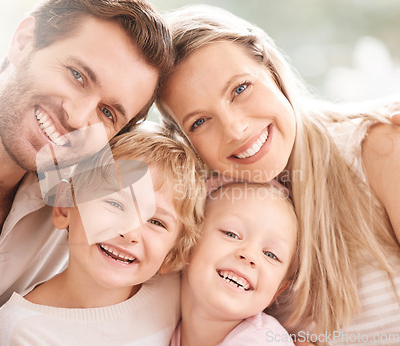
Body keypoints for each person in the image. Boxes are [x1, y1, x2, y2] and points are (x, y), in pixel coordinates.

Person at [0, 0, 173, 344]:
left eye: (107, 112)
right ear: (24, 40)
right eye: (77, 75)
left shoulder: (89, 192)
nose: (77, 118)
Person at [156, 4, 400, 343]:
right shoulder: (205, 211)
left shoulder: (380, 149)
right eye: (199, 122)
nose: (236, 129)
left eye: (240, 89)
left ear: (270, 67)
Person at [0, 124, 206, 345]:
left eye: (156, 222)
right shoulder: (22, 329)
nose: (130, 232)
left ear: (174, 252)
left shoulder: (173, 291)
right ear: (65, 208)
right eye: (114, 203)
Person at [171, 182, 297, 346]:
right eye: (231, 234)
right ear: (189, 241)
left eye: (270, 255)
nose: (250, 255)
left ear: (278, 290)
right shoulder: (160, 328)